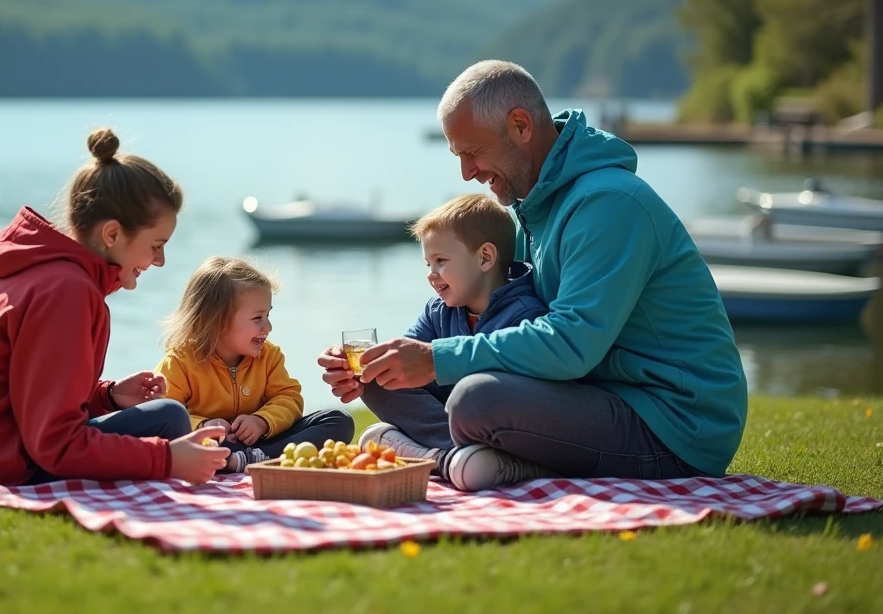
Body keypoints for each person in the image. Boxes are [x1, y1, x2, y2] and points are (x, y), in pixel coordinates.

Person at [319, 60, 747, 490]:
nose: (467, 173)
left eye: (472, 152)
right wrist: (386, 363)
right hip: (591, 396)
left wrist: (435, 359)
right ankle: (463, 456)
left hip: (674, 424)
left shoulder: (610, 204)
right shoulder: (531, 210)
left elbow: (572, 343)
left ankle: (447, 452)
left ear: (521, 126)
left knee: (476, 400)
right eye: (458, 156)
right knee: (379, 375)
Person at [0, 128, 229, 488]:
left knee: (164, 418)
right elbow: (56, 444)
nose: (160, 261)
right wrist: (166, 459)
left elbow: (25, 389)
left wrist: (107, 396)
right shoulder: (69, 291)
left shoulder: (37, 267)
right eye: (156, 245)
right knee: (169, 418)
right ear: (112, 234)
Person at [356, 193, 550, 491]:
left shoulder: (526, 316)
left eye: (441, 261)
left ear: (485, 258)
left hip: (501, 427)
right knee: (376, 376)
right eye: (428, 264)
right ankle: (452, 456)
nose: (431, 275)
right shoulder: (438, 311)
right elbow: (405, 358)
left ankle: (430, 453)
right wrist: (361, 365)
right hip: (456, 427)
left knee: (478, 393)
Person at [157, 257, 355, 472]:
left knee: (338, 420)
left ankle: (252, 459)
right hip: (215, 444)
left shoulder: (269, 356)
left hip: (264, 441)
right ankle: (243, 459)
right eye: (258, 318)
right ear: (217, 321)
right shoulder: (180, 361)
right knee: (193, 444)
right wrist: (202, 426)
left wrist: (262, 421)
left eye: (268, 315)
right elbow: (163, 414)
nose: (268, 326)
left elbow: (289, 398)